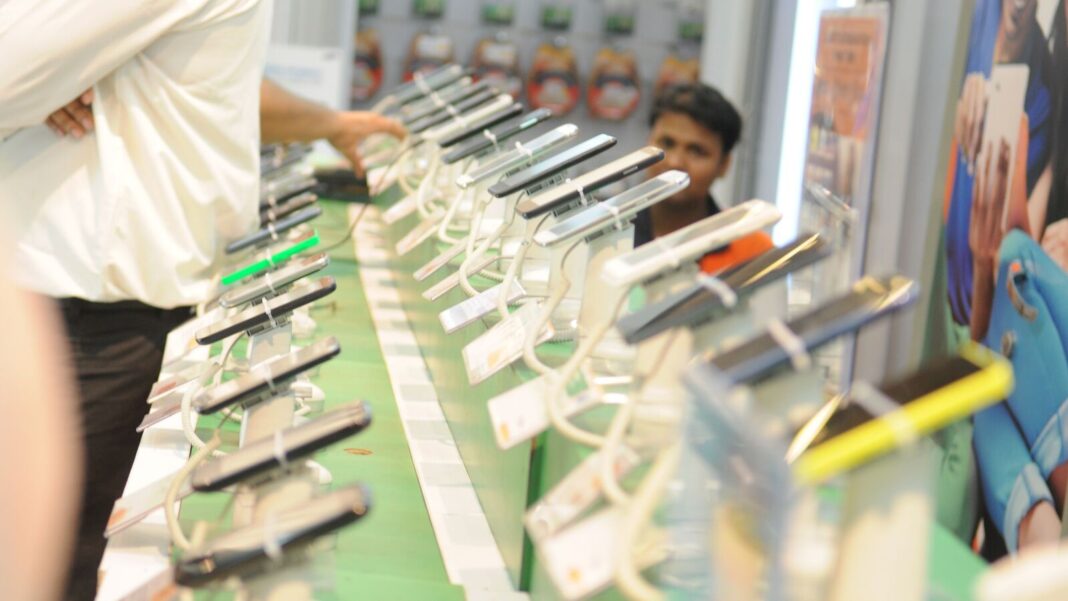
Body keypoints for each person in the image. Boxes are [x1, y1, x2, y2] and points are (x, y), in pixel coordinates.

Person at [0, 3, 403, 599]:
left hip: (110, 319)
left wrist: (327, 122)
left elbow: (217, 88)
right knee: (52, 568)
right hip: (78, 318)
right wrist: (31, 77)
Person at [638, 83, 773, 272]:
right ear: (647, 142)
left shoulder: (753, 252)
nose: (675, 162)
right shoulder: (600, 236)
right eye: (667, 143)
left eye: (696, 151)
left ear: (724, 165)